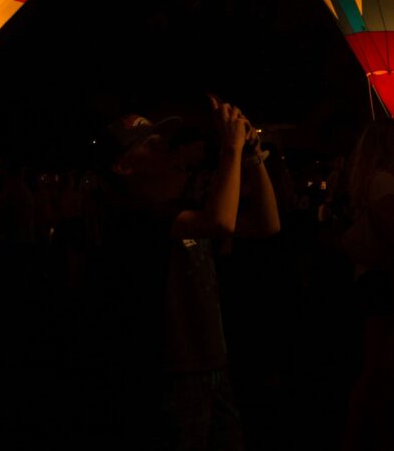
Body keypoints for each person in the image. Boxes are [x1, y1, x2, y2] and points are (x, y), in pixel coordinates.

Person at [96, 97, 280, 451]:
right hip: (170, 373)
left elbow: (266, 224)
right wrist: (231, 146)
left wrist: (252, 156)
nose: (165, 144)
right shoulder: (132, 215)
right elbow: (222, 222)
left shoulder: (179, 210)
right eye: (149, 142)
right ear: (123, 167)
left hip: (211, 361)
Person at [339, 119, 394, 451]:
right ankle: (360, 436)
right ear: (387, 146)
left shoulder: (372, 180)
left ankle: (368, 435)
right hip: (386, 280)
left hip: (374, 279)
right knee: (380, 366)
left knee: (379, 366)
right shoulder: (383, 182)